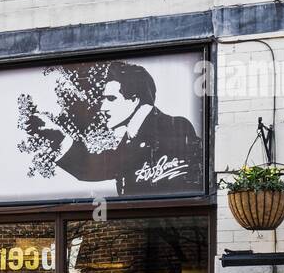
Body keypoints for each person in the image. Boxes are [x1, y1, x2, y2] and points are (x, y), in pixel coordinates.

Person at [32, 61, 202, 196]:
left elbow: (182, 192)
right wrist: (58, 137)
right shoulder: (132, 136)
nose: (102, 108)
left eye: (111, 99)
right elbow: (91, 169)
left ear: (134, 99)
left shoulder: (175, 127)